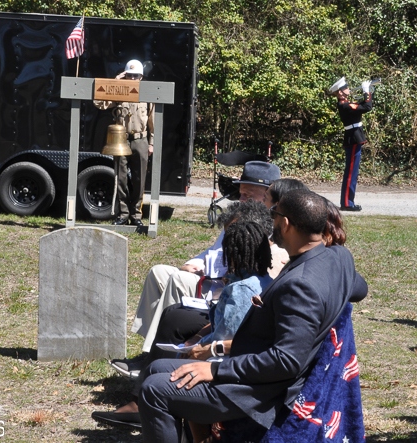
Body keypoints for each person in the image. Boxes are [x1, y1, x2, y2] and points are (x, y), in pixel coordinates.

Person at [138, 189, 364, 442]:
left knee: (154, 390)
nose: (271, 220)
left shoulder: (300, 286)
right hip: (253, 365)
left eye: (274, 214)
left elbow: (286, 361)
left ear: (285, 223)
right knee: (155, 368)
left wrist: (216, 370)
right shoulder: (339, 257)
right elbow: (360, 289)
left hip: (259, 390)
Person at [91, 205, 275, 432]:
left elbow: (226, 337)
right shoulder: (257, 281)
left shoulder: (241, 290)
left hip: (224, 368)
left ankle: (154, 412)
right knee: (158, 362)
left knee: (156, 382)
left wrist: (199, 348)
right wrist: (197, 338)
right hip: (226, 357)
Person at [116, 161, 280, 373]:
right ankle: (152, 348)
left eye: (248, 195)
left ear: (267, 195)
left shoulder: (264, 228)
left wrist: (210, 271)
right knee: (159, 272)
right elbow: (213, 251)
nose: (241, 199)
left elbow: (248, 271)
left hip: (221, 288)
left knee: (177, 281)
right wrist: (193, 263)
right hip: (209, 279)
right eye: (240, 194)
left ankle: (153, 358)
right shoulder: (238, 216)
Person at [94, 59, 154, 227]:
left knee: (139, 179)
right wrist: (115, 82)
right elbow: (99, 103)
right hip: (121, 140)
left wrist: (151, 143)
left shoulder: (147, 94)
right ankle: (123, 214)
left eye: (136, 76)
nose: (132, 79)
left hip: (140, 140)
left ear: (141, 77)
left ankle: (136, 215)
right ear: (125, 76)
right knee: (120, 179)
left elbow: (152, 121)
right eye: (129, 75)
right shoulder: (118, 92)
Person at [334, 80, 373, 212]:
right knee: (351, 173)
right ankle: (347, 203)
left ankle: (348, 201)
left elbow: (363, 105)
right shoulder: (345, 105)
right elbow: (367, 107)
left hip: (354, 137)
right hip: (353, 138)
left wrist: (367, 93)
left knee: (352, 172)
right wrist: (366, 91)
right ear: (340, 92)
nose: (348, 88)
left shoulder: (346, 104)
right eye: (345, 87)